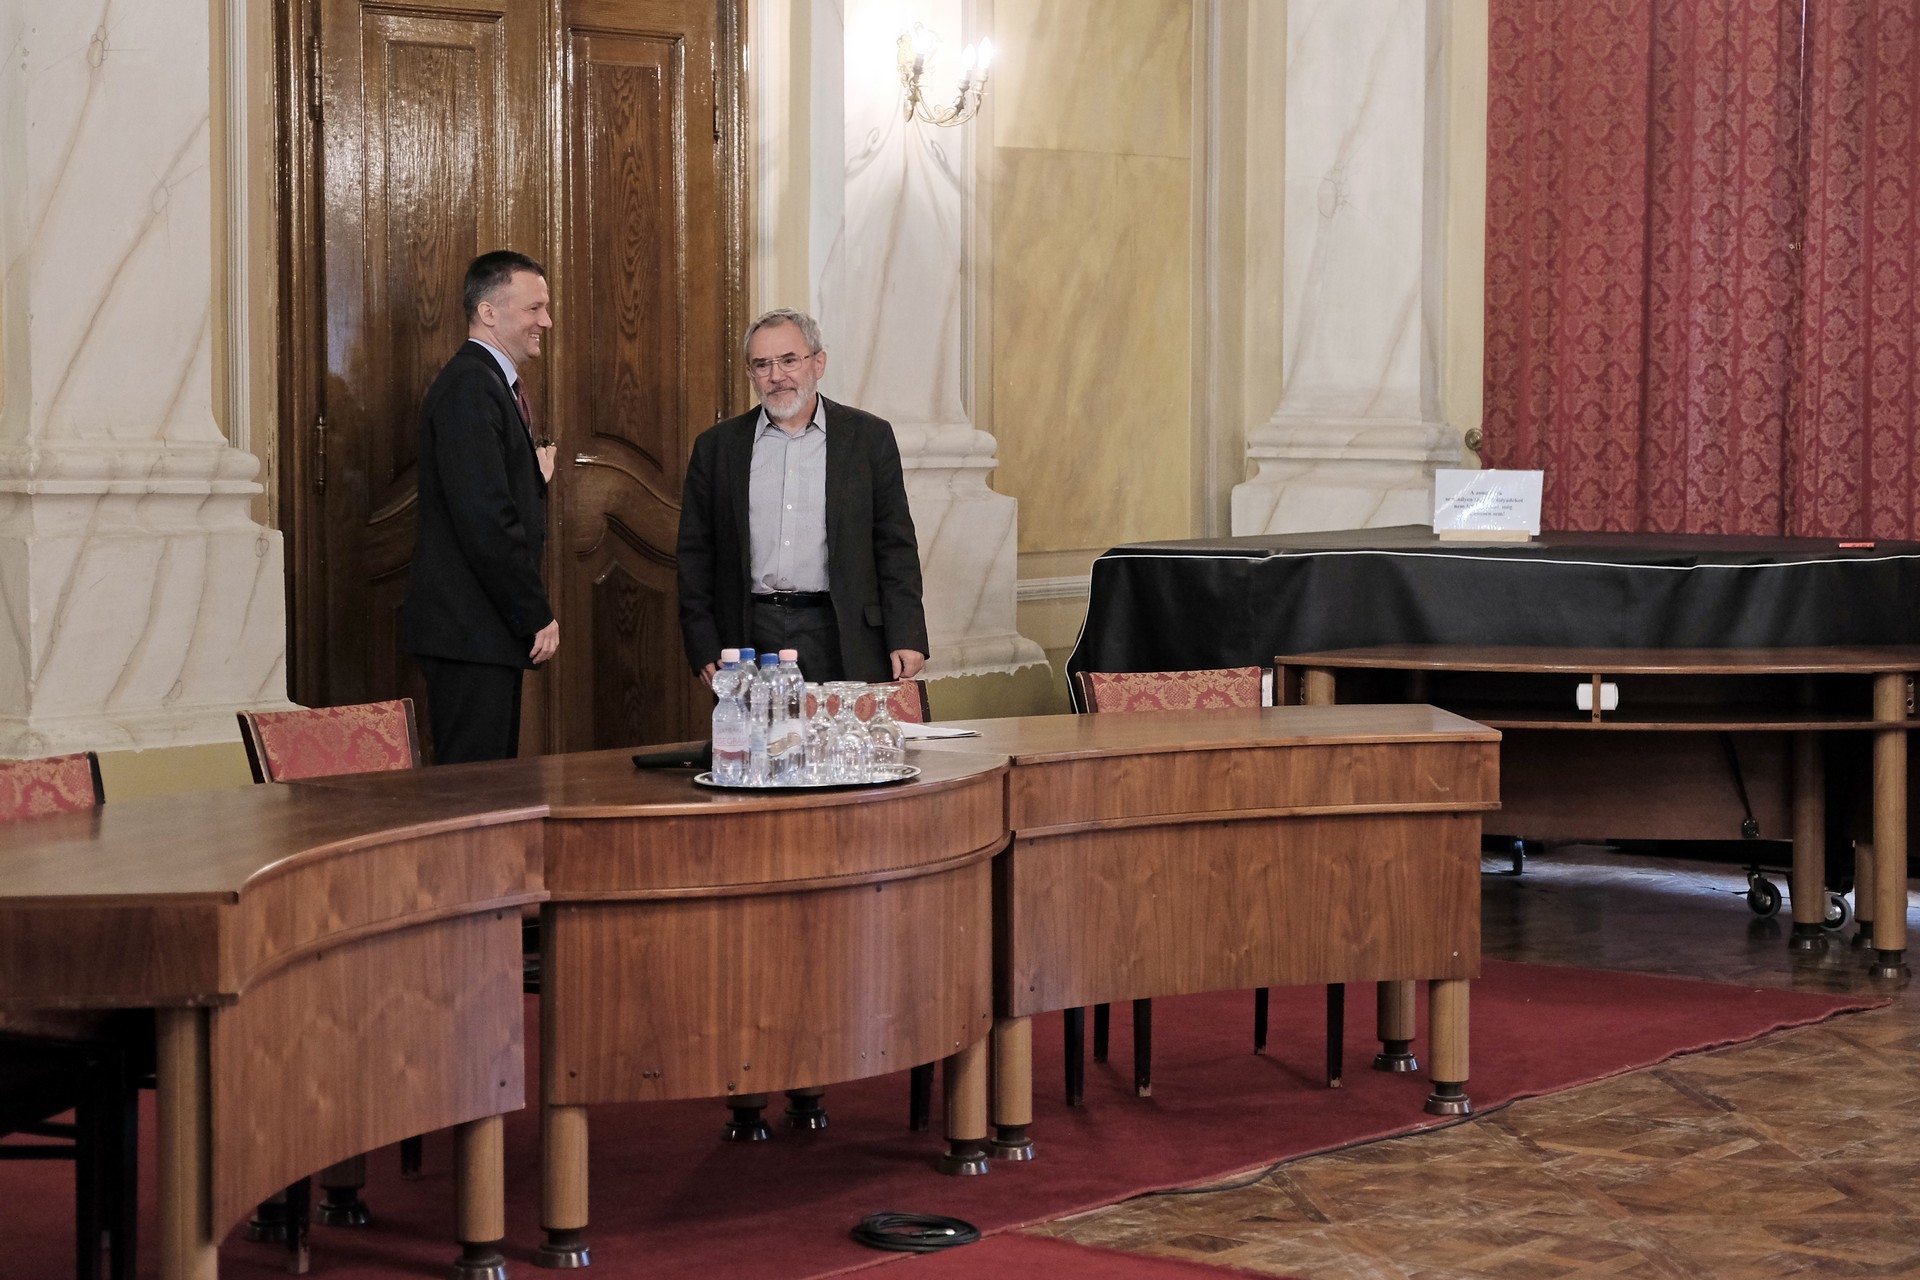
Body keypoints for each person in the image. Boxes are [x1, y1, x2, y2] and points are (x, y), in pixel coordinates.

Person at [677, 308, 928, 686]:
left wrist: (907, 633)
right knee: (758, 729)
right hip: (748, 637)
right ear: (750, 374)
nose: (776, 376)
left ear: (818, 363)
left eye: (789, 360)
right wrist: (702, 642)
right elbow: (695, 554)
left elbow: (895, 546)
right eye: (762, 365)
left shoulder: (869, 438)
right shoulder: (717, 447)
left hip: (844, 633)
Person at [399, 250, 561, 763]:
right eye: (534, 308)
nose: (546, 321)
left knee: (490, 785)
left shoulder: (485, 381)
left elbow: (486, 490)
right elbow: (486, 519)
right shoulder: (471, 386)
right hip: (469, 632)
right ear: (488, 312)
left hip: (481, 632)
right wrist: (534, 613)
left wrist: (532, 476)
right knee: (474, 791)